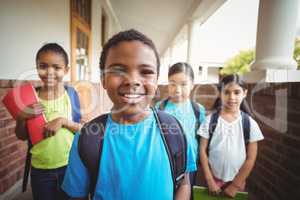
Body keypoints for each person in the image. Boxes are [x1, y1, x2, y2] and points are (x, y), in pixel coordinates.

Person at [62, 29, 196, 200]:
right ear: (103, 79)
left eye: (146, 71)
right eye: (118, 70)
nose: (133, 80)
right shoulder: (87, 138)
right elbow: (76, 195)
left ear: (156, 81)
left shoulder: (174, 130)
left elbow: (183, 182)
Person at [15, 43, 82, 200]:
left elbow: (82, 129)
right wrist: (21, 118)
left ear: (66, 70)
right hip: (40, 170)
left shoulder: (71, 95)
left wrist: (63, 121)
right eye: (43, 66)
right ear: (37, 68)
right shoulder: (30, 99)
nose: (50, 72)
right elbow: (22, 136)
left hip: (69, 166)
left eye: (57, 67)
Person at [198, 74, 264, 198]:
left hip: (237, 182)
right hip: (213, 180)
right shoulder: (210, 120)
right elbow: (202, 150)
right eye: (226, 92)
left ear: (244, 93)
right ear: (220, 93)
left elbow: (251, 157)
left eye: (236, 92)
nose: (231, 97)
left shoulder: (250, 124)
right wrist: (209, 180)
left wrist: (235, 185)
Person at [155, 62, 206, 196]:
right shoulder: (160, 108)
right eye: (172, 83)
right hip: (166, 163)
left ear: (192, 85)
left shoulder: (198, 110)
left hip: (190, 166)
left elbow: (202, 140)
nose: (177, 89)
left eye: (183, 84)